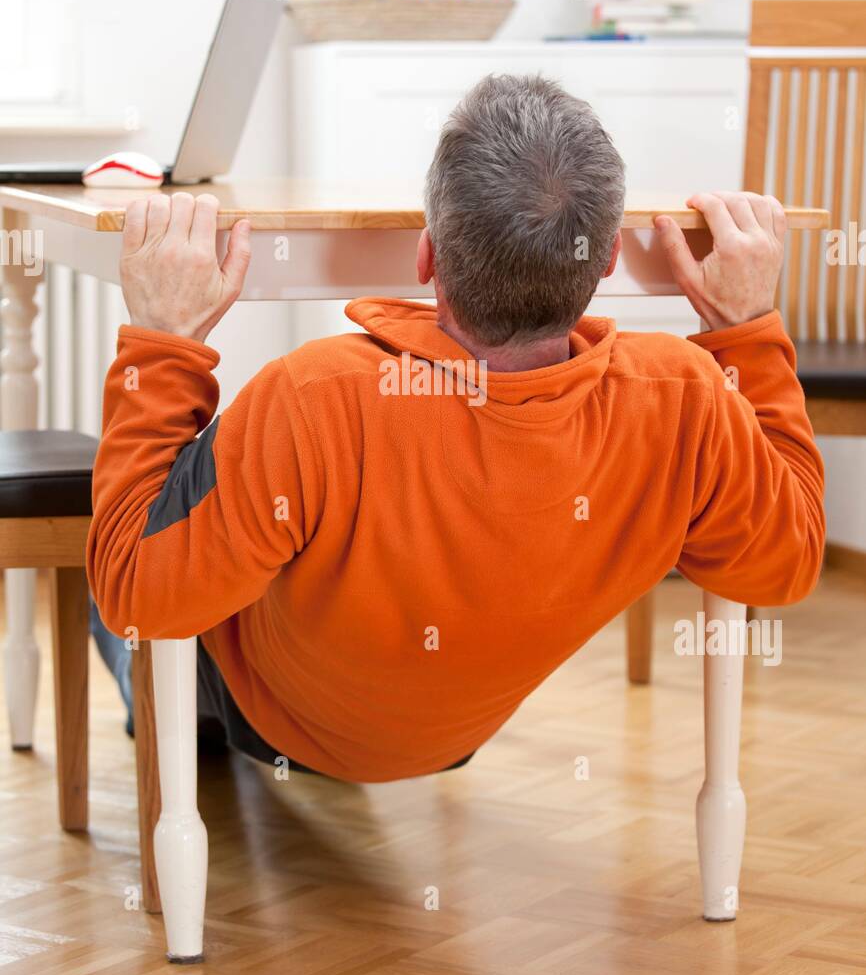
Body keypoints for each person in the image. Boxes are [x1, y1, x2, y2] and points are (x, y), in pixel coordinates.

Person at [88, 74, 825, 780]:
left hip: (268, 714)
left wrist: (164, 342)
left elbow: (133, 595)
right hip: (449, 741)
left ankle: (169, 712)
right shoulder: (685, 399)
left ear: (428, 254)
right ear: (604, 260)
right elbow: (787, 563)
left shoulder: (312, 398)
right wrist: (749, 331)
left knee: (116, 527)